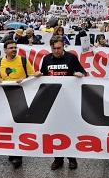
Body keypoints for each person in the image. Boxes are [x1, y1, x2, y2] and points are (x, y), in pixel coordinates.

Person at [37, 35, 86, 170]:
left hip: (69, 101)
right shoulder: (47, 59)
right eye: (54, 48)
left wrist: (80, 74)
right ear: (51, 48)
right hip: (52, 101)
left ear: (63, 46)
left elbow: (83, 72)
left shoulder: (71, 58)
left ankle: (72, 158)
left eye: (59, 48)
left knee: (69, 131)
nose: (57, 51)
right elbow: (43, 75)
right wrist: (38, 76)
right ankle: (58, 159)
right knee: (55, 131)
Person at [0, 39, 39, 169]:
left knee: (18, 126)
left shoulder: (23, 61)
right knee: (8, 126)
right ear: (5, 50)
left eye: (15, 47)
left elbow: (32, 77)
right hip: (5, 98)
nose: (14, 49)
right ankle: (12, 150)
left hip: (21, 98)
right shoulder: (0, 62)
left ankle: (17, 155)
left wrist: (25, 80)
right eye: (11, 48)